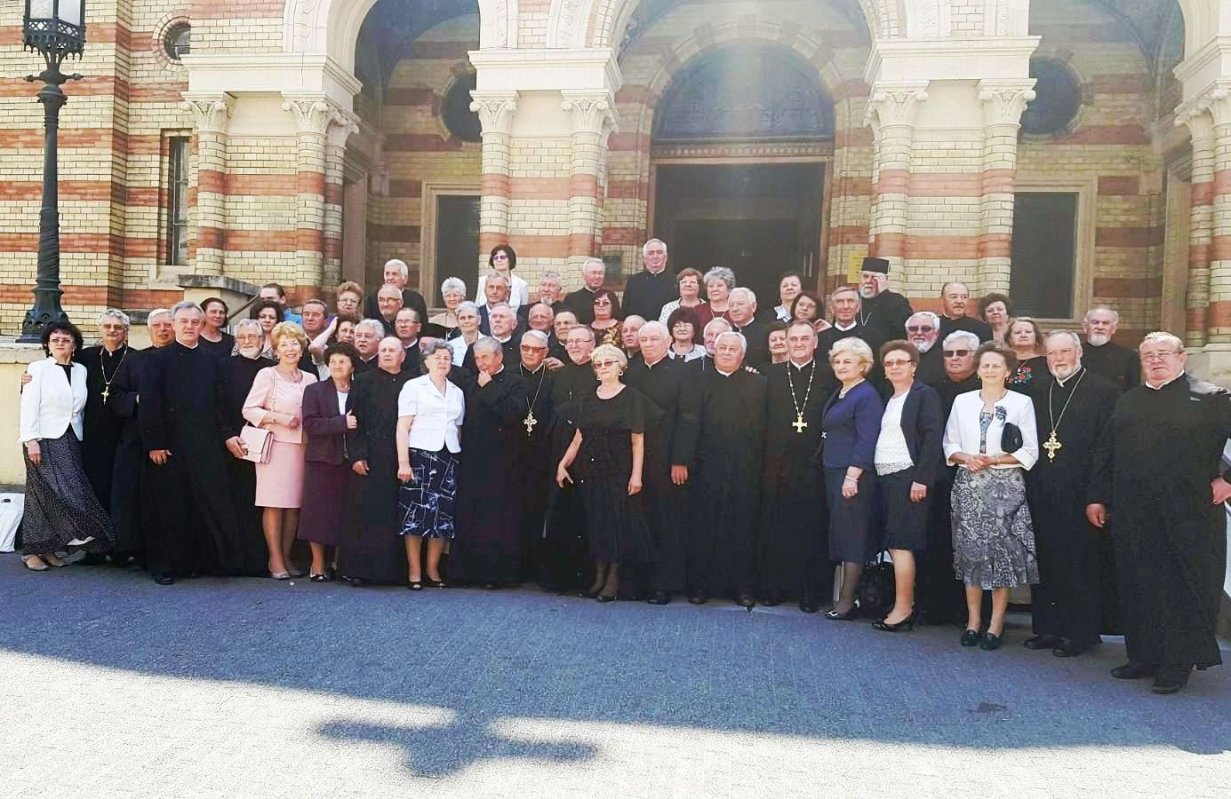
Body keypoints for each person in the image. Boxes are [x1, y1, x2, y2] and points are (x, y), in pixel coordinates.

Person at [1087, 332, 1231, 694]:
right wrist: (1098, 497)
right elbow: (1107, 451)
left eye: (1163, 353)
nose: (1155, 360)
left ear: (1182, 358)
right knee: (1138, 583)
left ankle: (1176, 664)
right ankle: (1143, 656)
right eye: (1148, 355)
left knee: (1179, 587)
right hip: (1134, 512)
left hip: (1190, 514)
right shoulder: (1130, 400)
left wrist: (1229, 480)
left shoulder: (1210, 397)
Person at [1024, 331, 1121, 657]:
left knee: (1079, 563)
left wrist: (1099, 496)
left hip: (1082, 493)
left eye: (1065, 351)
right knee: (1045, 559)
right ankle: (1048, 628)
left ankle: (1080, 633)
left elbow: (1107, 451)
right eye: (1052, 354)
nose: (1059, 358)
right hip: (1042, 489)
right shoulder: (1037, 390)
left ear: (1079, 353)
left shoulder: (1105, 392)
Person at [139, 301, 244, 584]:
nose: (189, 327)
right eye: (183, 321)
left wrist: (226, 436)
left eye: (194, 322)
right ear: (173, 325)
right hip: (168, 446)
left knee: (202, 504)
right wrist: (154, 443)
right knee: (169, 506)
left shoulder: (212, 361)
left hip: (205, 444)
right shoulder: (157, 360)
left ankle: (196, 561)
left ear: (202, 325)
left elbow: (221, 405)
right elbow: (149, 404)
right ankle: (165, 566)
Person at [944, 341, 1040, 650]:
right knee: (971, 553)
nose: (989, 370)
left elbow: (1029, 451)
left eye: (996, 365)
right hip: (969, 483)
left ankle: (996, 623)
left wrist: (995, 460)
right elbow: (950, 444)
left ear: (1007, 371)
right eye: (985, 365)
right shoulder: (962, 401)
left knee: (1001, 555)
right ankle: (973, 621)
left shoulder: (1021, 403)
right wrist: (966, 457)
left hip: (1005, 486)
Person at [557, 344, 658, 601]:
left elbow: (638, 440)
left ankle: (613, 579)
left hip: (619, 467)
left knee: (617, 523)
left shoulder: (632, 397)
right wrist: (563, 463)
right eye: (598, 365)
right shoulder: (589, 398)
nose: (603, 368)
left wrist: (636, 475)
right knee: (596, 521)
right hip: (589, 468)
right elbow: (579, 437)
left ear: (621, 366)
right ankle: (599, 576)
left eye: (608, 363)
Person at [19, 321, 114, 570]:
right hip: (42, 439)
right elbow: (29, 405)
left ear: (74, 345)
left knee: (59, 494)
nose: (60, 343)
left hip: (71, 438)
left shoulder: (81, 370)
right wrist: (31, 441)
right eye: (55, 339)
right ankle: (31, 552)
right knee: (41, 495)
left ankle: (49, 549)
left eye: (66, 339)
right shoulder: (37, 369)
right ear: (47, 345)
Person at [759, 321, 834, 612]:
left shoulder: (829, 375)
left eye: (805, 338)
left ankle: (809, 591)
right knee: (776, 526)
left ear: (815, 342)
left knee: (811, 527)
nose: (799, 343)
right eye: (794, 339)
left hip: (814, 462)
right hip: (777, 462)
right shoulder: (770, 375)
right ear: (786, 343)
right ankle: (775, 587)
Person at [624, 321, 700, 605]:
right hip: (636, 459)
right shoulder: (632, 373)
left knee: (666, 522)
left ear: (668, 341)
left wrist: (681, 459)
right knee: (638, 519)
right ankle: (637, 582)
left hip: (668, 458)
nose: (648, 344)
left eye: (654, 339)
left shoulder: (683, 372)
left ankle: (663, 584)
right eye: (643, 339)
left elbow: (689, 418)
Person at [689, 332, 766, 607]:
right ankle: (700, 586)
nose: (726, 352)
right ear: (713, 351)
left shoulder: (759, 384)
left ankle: (743, 587)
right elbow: (689, 423)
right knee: (704, 525)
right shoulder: (698, 381)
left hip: (746, 467)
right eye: (722, 347)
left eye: (732, 349)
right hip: (706, 466)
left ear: (742, 355)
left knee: (742, 527)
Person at [871, 340, 944, 631]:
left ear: (913, 366)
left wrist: (921, 479)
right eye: (889, 363)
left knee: (901, 544)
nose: (895, 367)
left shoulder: (924, 395)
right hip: (886, 477)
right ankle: (901, 603)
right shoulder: (889, 397)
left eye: (901, 362)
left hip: (908, 477)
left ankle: (904, 608)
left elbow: (931, 438)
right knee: (894, 542)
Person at [916, 329, 981, 625]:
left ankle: (972, 613)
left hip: (976, 475)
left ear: (975, 357)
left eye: (961, 353)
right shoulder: (931, 389)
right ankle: (936, 605)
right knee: (938, 540)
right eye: (949, 354)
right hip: (940, 475)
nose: (954, 359)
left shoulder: (985, 388)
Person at [450, 337, 528, 587]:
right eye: (477, 358)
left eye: (485, 357)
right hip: (473, 458)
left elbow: (512, 414)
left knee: (497, 518)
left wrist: (490, 388)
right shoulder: (471, 384)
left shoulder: (517, 382)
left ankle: (495, 575)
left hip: (503, 461)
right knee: (471, 513)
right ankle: (467, 573)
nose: (481, 363)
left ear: (499, 357)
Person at [243, 322, 317, 579]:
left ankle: (287, 556)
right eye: (284, 344)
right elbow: (249, 409)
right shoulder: (267, 375)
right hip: (274, 447)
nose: (290, 349)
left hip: (302, 447)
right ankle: (274, 560)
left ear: (302, 347)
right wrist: (279, 418)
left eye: (294, 343)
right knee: (274, 505)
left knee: (294, 505)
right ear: (275, 350)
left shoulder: (310, 378)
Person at [820, 336, 884, 620]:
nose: (841, 366)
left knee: (853, 536)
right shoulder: (843, 391)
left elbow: (867, 438)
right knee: (843, 533)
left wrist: (853, 476)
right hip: (834, 470)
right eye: (837, 361)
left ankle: (847, 602)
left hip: (852, 475)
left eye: (848, 361)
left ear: (864, 365)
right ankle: (841, 597)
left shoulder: (866, 395)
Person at [105, 308, 175, 563]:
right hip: (135, 439)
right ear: (148, 329)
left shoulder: (181, 358)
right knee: (131, 497)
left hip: (171, 440)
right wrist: (136, 398)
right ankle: (132, 548)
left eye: (168, 325)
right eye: (157, 325)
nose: (163, 329)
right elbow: (115, 395)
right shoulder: (134, 360)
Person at [340, 337, 412, 586]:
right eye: (383, 350)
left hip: (402, 456)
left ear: (402, 356)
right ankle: (361, 571)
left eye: (392, 350)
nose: (387, 354)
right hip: (370, 457)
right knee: (366, 513)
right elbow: (353, 421)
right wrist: (357, 455)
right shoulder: (363, 381)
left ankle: (396, 572)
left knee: (397, 513)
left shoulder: (412, 383)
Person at [396, 340, 465, 590]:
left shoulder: (457, 391)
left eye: (447, 358)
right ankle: (414, 571)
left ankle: (432, 569)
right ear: (426, 361)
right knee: (415, 514)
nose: (443, 362)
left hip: (448, 457)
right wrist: (404, 462)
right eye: (438, 358)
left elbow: (458, 428)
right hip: (419, 456)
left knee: (442, 515)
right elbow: (403, 426)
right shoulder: (414, 387)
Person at [298, 342, 361, 581]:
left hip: (351, 460)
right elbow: (310, 424)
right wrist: (340, 423)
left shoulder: (359, 389)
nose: (336, 366)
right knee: (318, 513)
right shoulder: (315, 391)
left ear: (352, 365)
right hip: (322, 459)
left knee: (345, 513)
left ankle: (339, 562)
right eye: (332, 362)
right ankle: (317, 564)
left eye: (342, 361)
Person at [543, 325, 598, 592]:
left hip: (589, 447)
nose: (574, 346)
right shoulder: (559, 374)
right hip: (559, 444)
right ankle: (558, 578)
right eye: (570, 342)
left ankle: (585, 578)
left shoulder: (599, 371)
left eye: (580, 341)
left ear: (592, 344)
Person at [221, 320, 276, 577]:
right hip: (233, 444)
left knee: (262, 504)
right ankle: (235, 560)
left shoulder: (272, 369)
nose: (246, 341)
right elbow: (214, 405)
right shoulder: (224, 367)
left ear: (262, 340)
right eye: (241, 337)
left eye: (252, 337)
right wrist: (228, 436)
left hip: (267, 444)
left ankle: (260, 561)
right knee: (235, 503)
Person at [74, 310, 131, 534]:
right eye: (107, 326)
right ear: (100, 330)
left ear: (125, 331)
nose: (112, 330)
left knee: (120, 491)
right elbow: (58, 377)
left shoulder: (135, 357)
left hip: (122, 433)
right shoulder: (86, 357)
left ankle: (120, 545)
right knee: (92, 488)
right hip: (92, 433)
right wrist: (28, 379)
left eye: (117, 327)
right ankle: (94, 546)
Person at [513, 331, 557, 585]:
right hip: (515, 452)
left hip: (542, 452)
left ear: (546, 352)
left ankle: (538, 568)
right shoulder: (509, 374)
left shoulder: (552, 377)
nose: (530, 353)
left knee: (539, 511)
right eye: (525, 348)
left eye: (536, 349)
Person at [1081, 306, 1140, 389]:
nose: (1100, 327)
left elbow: (1133, 391)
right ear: (1085, 327)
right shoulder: (1073, 354)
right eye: (1095, 322)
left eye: (1105, 323)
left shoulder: (1129, 356)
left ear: (1114, 328)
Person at [857, 257, 913, 344]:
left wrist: (884, 293)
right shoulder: (851, 299)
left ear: (885, 279)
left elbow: (902, 330)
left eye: (874, 278)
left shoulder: (897, 301)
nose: (868, 281)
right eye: (865, 276)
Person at [817, 286, 882, 360]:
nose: (846, 306)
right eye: (840, 301)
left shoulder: (874, 337)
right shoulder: (820, 339)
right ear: (832, 308)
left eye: (850, 301)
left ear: (858, 307)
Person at [364, 258, 429, 327]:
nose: (390, 278)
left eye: (394, 274)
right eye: (387, 274)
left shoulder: (416, 300)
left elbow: (422, 326)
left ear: (405, 279)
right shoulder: (373, 297)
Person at [623, 238, 676, 321]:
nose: (655, 256)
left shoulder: (675, 281)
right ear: (644, 258)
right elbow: (625, 310)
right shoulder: (634, 281)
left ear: (665, 257)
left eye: (659, 252)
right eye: (651, 253)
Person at [476, 244, 529, 310]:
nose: (499, 260)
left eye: (502, 257)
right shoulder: (482, 281)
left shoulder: (522, 285)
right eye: (495, 258)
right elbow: (477, 306)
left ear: (510, 259)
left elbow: (523, 312)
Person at [728, 287, 768, 368]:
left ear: (753, 307)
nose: (734, 309)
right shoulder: (725, 333)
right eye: (731, 305)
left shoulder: (765, 332)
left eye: (740, 304)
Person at [562, 257, 607, 325]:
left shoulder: (609, 298)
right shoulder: (571, 299)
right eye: (593, 273)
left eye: (600, 273)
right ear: (583, 275)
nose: (597, 276)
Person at [905, 311, 944, 386]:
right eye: (913, 328)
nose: (919, 333)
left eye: (926, 329)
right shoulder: (900, 357)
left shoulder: (945, 359)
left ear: (936, 333)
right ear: (907, 333)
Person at [1006, 317, 1046, 388]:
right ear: (1009, 339)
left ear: (1036, 337)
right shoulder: (1001, 362)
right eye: (1017, 332)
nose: (1023, 335)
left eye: (1028, 332)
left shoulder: (1047, 363)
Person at [447, 301, 483, 368]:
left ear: (479, 320)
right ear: (457, 322)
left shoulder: (490, 343)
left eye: (470, 317)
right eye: (462, 318)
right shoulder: (449, 346)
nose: (466, 321)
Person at [394, 307, 423, 377]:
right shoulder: (388, 349)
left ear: (418, 327)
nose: (403, 325)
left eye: (407, 321)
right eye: (399, 321)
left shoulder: (424, 351)